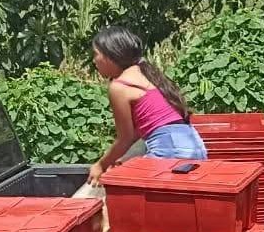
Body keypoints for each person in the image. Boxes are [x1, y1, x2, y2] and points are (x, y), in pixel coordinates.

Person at [87, 26, 207, 184]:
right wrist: (125, 158)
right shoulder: (145, 73)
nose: (94, 60)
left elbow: (125, 138)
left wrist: (100, 165)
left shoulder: (120, 86)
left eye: (96, 54)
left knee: (121, 198)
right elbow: (141, 130)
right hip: (195, 147)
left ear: (111, 55)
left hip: (170, 150)